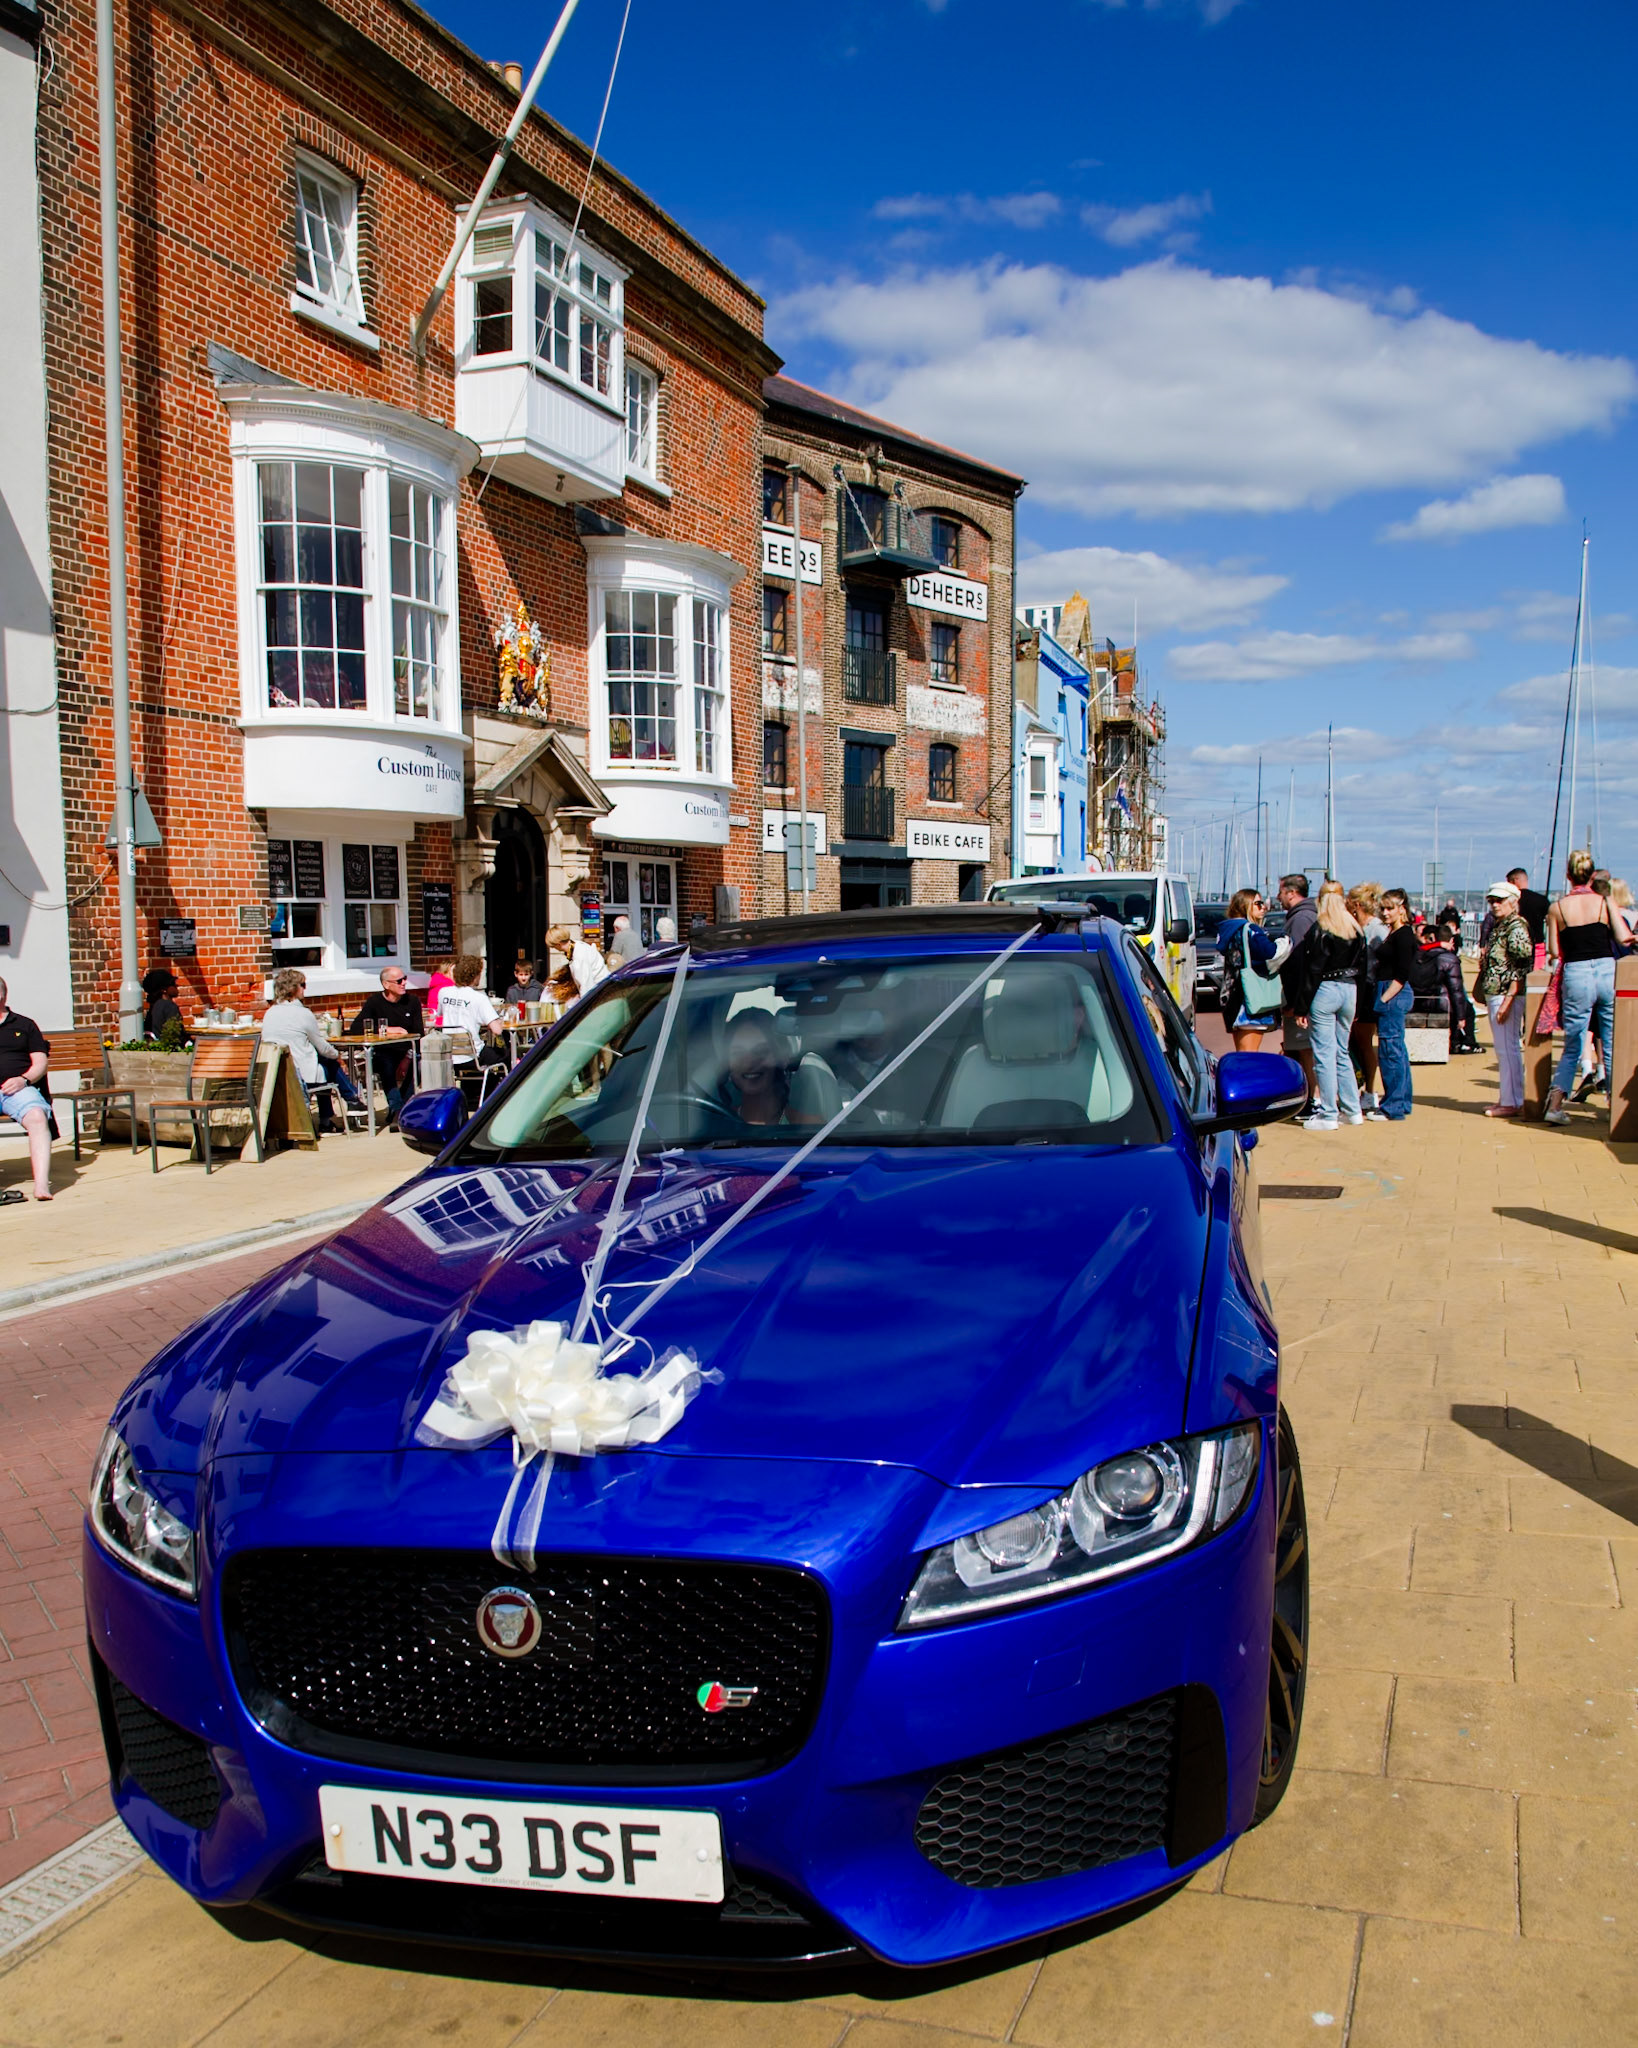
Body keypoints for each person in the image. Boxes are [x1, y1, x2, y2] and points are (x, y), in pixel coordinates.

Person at [1544, 851, 1632, 1125]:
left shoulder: (1557, 908)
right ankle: (1614, 1105)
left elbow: (1554, 950)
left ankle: (1556, 1105)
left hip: (1576, 973)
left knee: (1573, 1043)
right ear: (1593, 875)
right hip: (1606, 970)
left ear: (1568, 876)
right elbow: (1623, 937)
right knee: (1611, 1040)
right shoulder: (1605, 903)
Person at [1288, 882, 1365, 1130]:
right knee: (1342, 1052)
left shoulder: (1321, 928)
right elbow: (1365, 969)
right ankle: (1353, 1110)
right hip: (1350, 989)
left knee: (1323, 1054)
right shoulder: (1355, 929)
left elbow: (1312, 970)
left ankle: (1329, 1113)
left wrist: (1301, 1007)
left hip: (1327, 989)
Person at [260, 968, 361, 1132]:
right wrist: (338, 1056)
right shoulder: (303, 1013)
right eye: (303, 985)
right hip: (302, 1074)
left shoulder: (269, 1013)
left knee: (323, 1063)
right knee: (329, 1062)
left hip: (277, 1071)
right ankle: (351, 1099)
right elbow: (322, 1046)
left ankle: (331, 1117)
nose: (305, 989)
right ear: (293, 988)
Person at [1474, 881, 1533, 1118]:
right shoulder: (1503, 925)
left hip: (1505, 993)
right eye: (1492, 901)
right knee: (1505, 1048)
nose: (1495, 905)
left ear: (1513, 901)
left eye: (1499, 900)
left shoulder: (1515, 926)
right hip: (1498, 992)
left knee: (1507, 1048)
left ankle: (1512, 1100)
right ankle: (1509, 1097)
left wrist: (1509, 997)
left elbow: (1523, 963)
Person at [0, 979, 55, 1199]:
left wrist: (24, 1079)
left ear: (3, 995)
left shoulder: (24, 1025)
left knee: (37, 1116)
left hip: (17, 1089)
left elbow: (40, 1063)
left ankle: (41, 1185)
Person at [348, 966, 423, 1123]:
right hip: (385, 1051)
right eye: (399, 981)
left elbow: (418, 1034)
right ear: (386, 984)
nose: (404, 983)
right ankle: (397, 1109)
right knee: (385, 1063)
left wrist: (407, 1059)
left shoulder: (412, 1001)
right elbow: (356, 1028)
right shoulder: (375, 1002)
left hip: (408, 1051)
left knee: (420, 1064)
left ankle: (399, 1109)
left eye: (405, 979)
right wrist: (386, 1029)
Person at [1372, 889, 1419, 1122]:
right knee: (1396, 1050)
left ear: (1402, 908)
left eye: (1390, 908)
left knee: (1390, 1051)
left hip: (1393, 992)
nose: (1385, 912)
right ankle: (1401, 1102)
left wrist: (1383, 999)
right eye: (1383, 908)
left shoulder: (1404, 935)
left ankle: (1393, 1106)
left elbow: (1402, 974)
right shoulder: (1395, 933)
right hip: (1391, 990)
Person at [1216, 889, 1283, 1051]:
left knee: (1242, 1051)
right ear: (1244, 906)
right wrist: (1284, 944)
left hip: (1233, 995)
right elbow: (1269, 952)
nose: (1263, 908)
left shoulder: (1228, 930)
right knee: (1249, 1055)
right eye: (1258, 904)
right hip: (1250, 999)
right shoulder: (1250, 930)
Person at [1274, 874, 1318, 1097]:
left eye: (1280, 891)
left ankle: (1312, 1097)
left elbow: (1299, 962)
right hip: (1304, 995)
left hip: (1301, 997)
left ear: (1291, 893)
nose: (1277, 896)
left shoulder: (1300, 920)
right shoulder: (1305, 916)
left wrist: (1297, 1001)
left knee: (1304, 1049)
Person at [1347, 883, 1386, 1112]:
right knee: (1358, 1043)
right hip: (1359, 989)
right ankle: (1362, 1087)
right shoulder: (1360, 927)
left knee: (1364, 1043)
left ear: (1357, 905)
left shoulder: (1375, 929)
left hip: (1369, 990)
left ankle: (1370, 1090)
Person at [437, 954, 503, 1067]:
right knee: (507, 1056)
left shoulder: (443, 992)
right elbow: (497, 1031)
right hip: (472, 1056)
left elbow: (440, 1014)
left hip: (449, 1055)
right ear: (475, 975)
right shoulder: (479, 998)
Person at [1509, 868, 1551, 967]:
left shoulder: (1510, 901)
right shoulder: (1541, 900)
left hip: (1516, 945)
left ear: (1515, 880)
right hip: (1538, 945)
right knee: (1535, 978)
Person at [141, 967, 184, 1043]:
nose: (176, 985)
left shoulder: (154, 1006)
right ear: (163, 990)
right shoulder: (169, 1007)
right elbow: (175, 1034)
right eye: (172, 984)